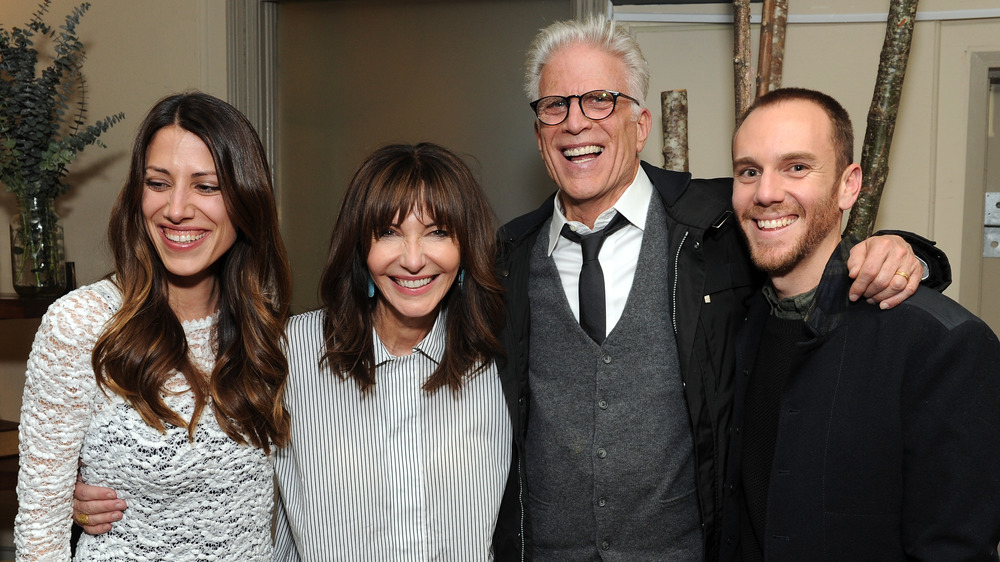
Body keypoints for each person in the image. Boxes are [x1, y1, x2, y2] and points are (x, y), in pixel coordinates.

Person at [494, 16, 931, 561]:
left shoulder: (719, 225)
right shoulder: (505, 260)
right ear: (539, 135)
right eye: (555, 105)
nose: (575, 123)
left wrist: (902, 249)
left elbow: (805, 240)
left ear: (641, 122)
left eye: (600, 100)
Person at [73, 142, 513, 560]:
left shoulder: (501, 357)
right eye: (388, 233)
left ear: (464, 247)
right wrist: (96, 483)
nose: (413, 259)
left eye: (438, 232)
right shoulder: (287, 352)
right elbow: (201, 452)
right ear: (362, 248)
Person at [719, 87, 1000, 560]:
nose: (766, 193)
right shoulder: (734, 322)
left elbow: (956, 548)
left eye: (797, 167)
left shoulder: (942, 346)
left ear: (849, 185)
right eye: (749, 171)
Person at [15, 92, 291, 561]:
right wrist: (73, 507)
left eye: (206, 186)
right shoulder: (80, 323)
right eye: (158, 183)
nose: (177, 208)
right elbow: (40, 528)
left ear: (246, 198)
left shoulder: (265, 325)